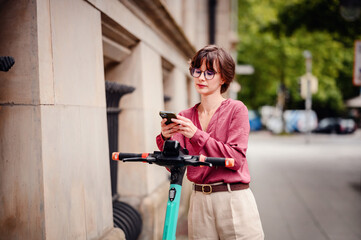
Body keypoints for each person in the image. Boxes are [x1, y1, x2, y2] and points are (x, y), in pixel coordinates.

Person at [156, 45, 264, 239]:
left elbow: (236, 159)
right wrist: (165, 137)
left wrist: (196, 135)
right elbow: (174, 165)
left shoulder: (236, 110)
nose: (201, 77)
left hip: (233, 199)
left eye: (209, 72)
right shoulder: (185, 116)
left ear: (224, 78)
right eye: (197, 71)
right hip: (199, 202)